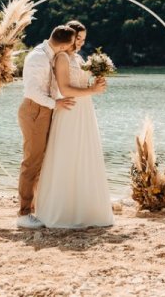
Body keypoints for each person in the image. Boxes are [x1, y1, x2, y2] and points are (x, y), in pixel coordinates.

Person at [34, 20, 114, 228]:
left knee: (85, 156)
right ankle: (64, 211)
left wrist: (95, 83)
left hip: (84, 112)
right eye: (78, 38)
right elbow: (65, 89)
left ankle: (88, 209)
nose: (80, 43)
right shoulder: (61, 58)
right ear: (69, 37)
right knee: (68, 157)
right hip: (69, 111)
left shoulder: (78, 58)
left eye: (83, 39)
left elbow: (81, 84)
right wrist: (91, 91)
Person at [16, 25, 76, 229]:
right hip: (34, 111)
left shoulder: (50, 55)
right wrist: (56, 104)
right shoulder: (38, 57)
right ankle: (24, 214)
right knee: (31, 162)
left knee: (40, 163)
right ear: (66, 44)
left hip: (44, 110)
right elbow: (32, 91)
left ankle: (35, 208)